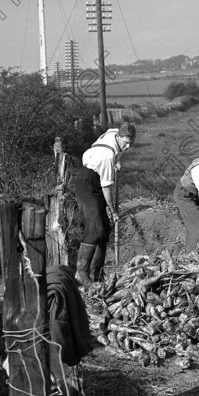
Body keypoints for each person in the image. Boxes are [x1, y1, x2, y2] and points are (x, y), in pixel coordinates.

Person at [74, 121, 136, 286]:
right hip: (88, 183)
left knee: (104, 229)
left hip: (95, 178)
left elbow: (116, 142)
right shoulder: (107, 156)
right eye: (125, 142)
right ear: (118, 137)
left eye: (131, 142)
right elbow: (107, 187)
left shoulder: (112, 133)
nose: (128, 146)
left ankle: (97, 274)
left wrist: (118, 159)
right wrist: (113, 210)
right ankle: (81, 274)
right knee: (94, 229)